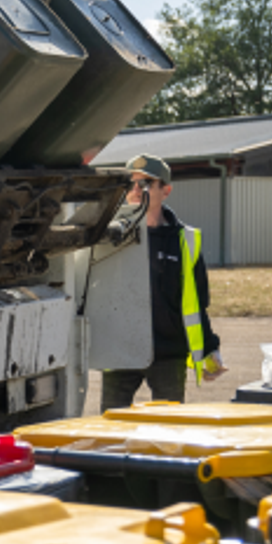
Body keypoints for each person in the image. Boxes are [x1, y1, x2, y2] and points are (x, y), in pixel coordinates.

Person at [101, 153, 225, 411]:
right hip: (120, 350)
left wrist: (210, 348)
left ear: (165, 190)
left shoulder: (186, 241)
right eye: (129, 183)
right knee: (110, 428)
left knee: (168, 430)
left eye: (145, 183)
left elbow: (196, 302)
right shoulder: (107, 237)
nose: (135, 190)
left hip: (169, 354)